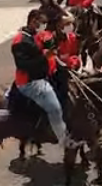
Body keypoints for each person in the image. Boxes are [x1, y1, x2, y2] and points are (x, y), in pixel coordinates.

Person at [11, 9, 73, 148]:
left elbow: (48, 45)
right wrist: (44, 57)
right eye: (42, 23)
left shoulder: (34, 36)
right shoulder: (20, 41)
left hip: (42, 76)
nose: (44, 26)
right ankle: (64, 140)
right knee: (55, 108)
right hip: (30, 82)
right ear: (33, 21)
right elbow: (23, 65)